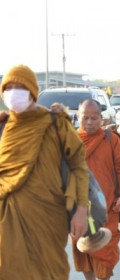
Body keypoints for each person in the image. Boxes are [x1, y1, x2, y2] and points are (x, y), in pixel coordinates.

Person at [0, 65, 89, 279]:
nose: (13, 92)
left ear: (32, 90)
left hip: (48, 216)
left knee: (49, 271)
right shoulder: (3, 125)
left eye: (19, 87)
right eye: (8, 87)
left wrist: (81, 210)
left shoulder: (56, 124)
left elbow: (79, 167)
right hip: (7, 218)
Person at [74, 99, 120, 280]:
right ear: (78, 117)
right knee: (84, 251)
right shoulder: (71, 140)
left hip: (107, 206)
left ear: (101, 118)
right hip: (79, 209)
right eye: (85, 118)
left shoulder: (111, 139)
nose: (90, 122)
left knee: (105, 250)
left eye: (94, 118)